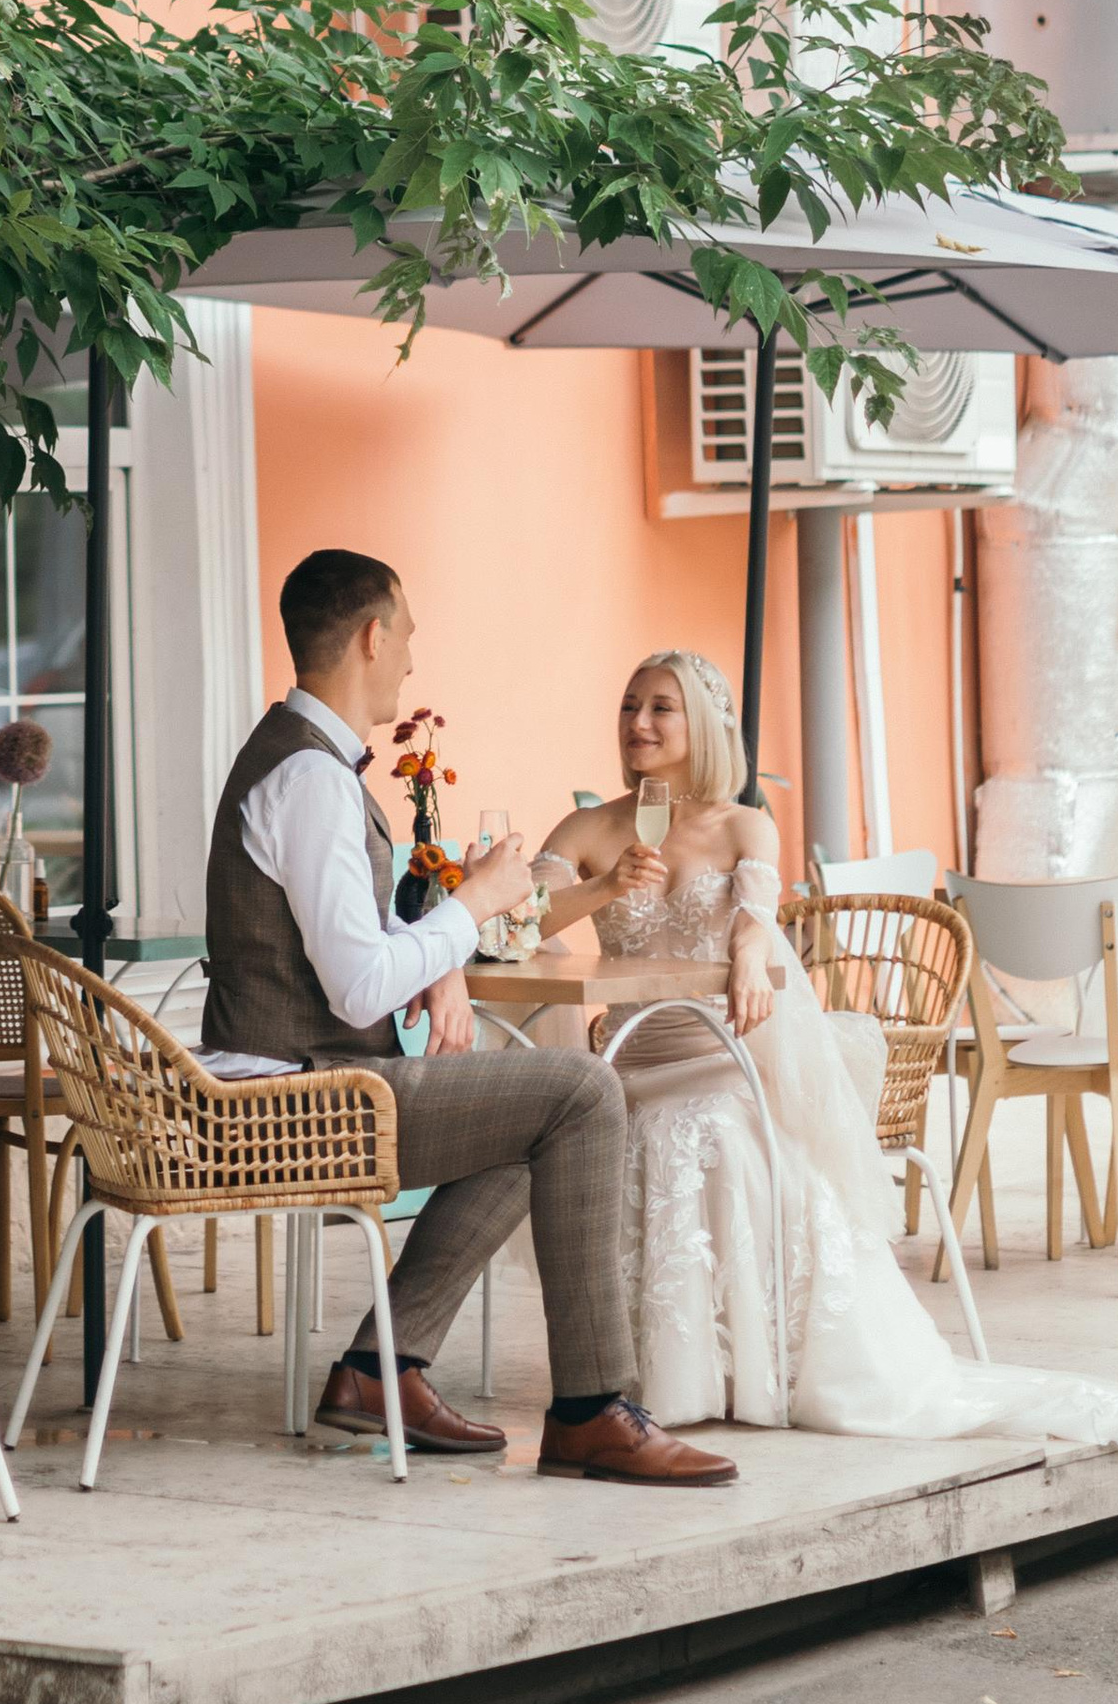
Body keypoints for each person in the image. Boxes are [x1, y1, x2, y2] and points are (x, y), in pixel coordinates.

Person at [530, 649, 1118, 1450]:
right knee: (636, 1123)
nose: (638, 723)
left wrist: (752, 954)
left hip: (725, 1051)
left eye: (660, 708)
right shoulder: (587, 829)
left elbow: (756, 909)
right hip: (632, 1061)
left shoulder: (742, 821)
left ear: (702, 724)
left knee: (722, 1122)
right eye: (629, 704)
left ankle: (761, 1364)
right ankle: (669, 1373)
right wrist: (602, 891)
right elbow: (524, 921)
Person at [201, 549, 740, 1484]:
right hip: (303, 1096)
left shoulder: (302, 763)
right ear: (372, 636)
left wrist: (443, 960)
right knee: (580, 1088)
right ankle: (589, 1408)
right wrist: (477, 903)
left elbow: (351, 948)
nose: (410, 656)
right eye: (404, 633)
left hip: (298, 1074)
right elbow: (361, 988)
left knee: (534, 1119)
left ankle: (381, 1370)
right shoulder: (314, 781)